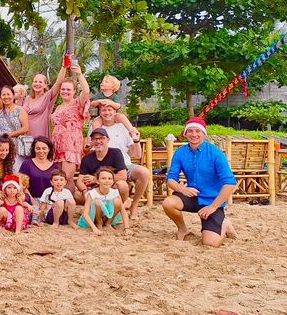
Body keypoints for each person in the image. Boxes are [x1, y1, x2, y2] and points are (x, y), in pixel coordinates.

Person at [161, 118, 238, 248]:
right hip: (192, 195)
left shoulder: (215, 153)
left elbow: (230, 183)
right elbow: (170, 179)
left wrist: (213, 207)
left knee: (210, 243)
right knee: (168, 203)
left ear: (204, 133)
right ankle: (182, 228)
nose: (194, 134)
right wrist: (182, 189)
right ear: (185, 133)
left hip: (212, 201)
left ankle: (225, 223)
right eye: (190, 131)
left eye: (198, 131)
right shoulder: (180, 152)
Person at [93, 102, 150, 219]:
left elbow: (137, 154)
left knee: (143, 172)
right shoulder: (97, 127)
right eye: (104, 110)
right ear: (100, 113)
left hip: (124, 164)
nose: (107, 112)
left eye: (110, 110)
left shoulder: (123, 127)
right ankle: (115, 208)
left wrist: (136, 140)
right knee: (120, 184)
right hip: (104, 167)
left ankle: (134, 206)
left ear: (115, 112)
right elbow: (91, 148)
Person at [51, 64, 91, 189]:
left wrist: (79, 74)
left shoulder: (77, 103)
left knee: (67, 178)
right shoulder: (58, 107)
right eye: (63, 89)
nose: (65, 92)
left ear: (74, 91)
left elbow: (86, 91)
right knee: (58, 178)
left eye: (68, 89)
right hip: (57, 146)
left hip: (71, 146)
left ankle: (69, 205)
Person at [76, 128, 130, 205]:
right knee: (77, 195)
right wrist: (85, 191)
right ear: (92, 141)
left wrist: (96, 179)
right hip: (95, 190)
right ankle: (99, 207)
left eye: (101, 138)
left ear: (108, 140)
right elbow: (79, 181)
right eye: (95, 139)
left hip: (111, 187)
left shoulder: (116, 153)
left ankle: (119, 206)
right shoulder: (86, 158)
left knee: (122, 185)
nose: (98, 141)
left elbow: (123, 176)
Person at [78, 167, 133, 237]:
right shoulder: (92, 193)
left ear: (113, 181)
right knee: (97, 201)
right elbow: (85, 213)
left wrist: (127, 228)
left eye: (109, 179)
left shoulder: (115, 192)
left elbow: (123, 211)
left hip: (107, 216)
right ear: (97, 181)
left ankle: (108, 223)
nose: (107, 181)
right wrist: (94, 228)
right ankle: (99, 224)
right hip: (95, 217)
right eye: (103, 178)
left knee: (117, 201)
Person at [23, 67, 68, 139]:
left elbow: (59, 83)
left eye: (40, 82)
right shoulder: (27, 98)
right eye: (35, 81)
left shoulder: (47, 96)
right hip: (26, 136)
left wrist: (63, 67)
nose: (37, 84)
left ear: (45, 85)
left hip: (40, 136)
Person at [19, 137, 60, 211]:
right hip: (31, 200)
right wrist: (32, 200)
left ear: (49, 149)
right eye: (38, 148)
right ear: (34, 149)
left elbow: (57, 186)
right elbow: (22, 184)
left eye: (44, 148)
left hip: (49, 201)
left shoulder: (55, 166)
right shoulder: (27, 164)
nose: (41, 151)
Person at [0, 85, 30, 170]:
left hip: (17, 147)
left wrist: (10, 134)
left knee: (17, 171)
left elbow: (26, 128)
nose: (6, 97)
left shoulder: (20, 110)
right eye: (3, 95)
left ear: (13, 95)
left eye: (8, 94)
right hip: (2, 148)